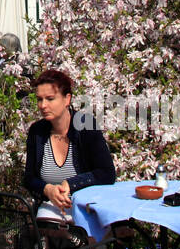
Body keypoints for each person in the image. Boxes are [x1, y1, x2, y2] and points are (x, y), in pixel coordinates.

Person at [24, 69, 115, 225]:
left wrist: (71, 184)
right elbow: (29, 178)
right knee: (46, 231)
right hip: (51, 210)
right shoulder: (37, 131)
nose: (43, 105)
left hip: (86, 208)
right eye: (39, 99)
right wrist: (47, 189)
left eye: (50, 99)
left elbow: (107, 173)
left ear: (67, 99)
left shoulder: (86, 126)